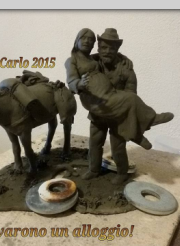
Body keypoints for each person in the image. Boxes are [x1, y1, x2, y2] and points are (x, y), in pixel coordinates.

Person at [65, 28, 173, 184]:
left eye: (112, 48)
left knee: (118, 145)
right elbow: (76, 69)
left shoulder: (126, 68)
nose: (107, 51)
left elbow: (131, 94)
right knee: (95, 143)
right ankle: (94, 169)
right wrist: (79, 85)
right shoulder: (94, 61)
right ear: (98, 48)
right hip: (98, 111)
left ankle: (122, 172)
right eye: (103, 47)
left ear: (117, 49)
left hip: (118, 115)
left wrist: (124, 59)